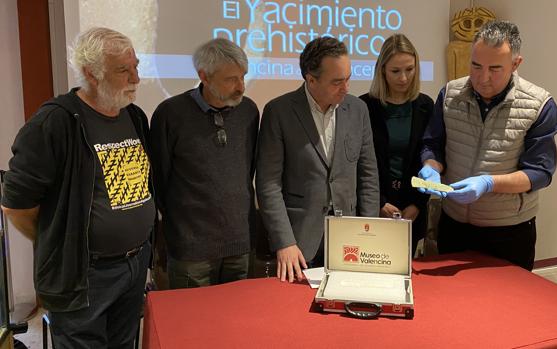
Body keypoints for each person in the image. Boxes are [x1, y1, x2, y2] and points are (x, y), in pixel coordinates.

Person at [1, 27, 154, 347]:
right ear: (91, 73)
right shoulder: (55, 123)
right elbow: (16, 206)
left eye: (136, 66)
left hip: (135, 264)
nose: (136, 78)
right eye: (124, 70)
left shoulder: (135, 116)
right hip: (84, 275)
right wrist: (60, 242)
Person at [418, 20, 557, 271]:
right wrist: (431, 166)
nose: (482, 78)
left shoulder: (539, 105)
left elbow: (540, 173)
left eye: (495, 68)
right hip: (454, 225)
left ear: (516, 64)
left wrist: (488, 183)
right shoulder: (450, 94)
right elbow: (433, 143)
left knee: (506, 306)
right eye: (475, 65)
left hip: (508, 231)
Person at [256, 37, 379, 282]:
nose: (346, 88)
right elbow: (269, 184)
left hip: (350, 237)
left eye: (348, 78)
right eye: (336, 82)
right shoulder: (279, 112)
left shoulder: (358, 110)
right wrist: (285, 242)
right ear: (311, 79)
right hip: (298, 244)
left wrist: (370, 233)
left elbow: (368, 176)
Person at [150, 38, 259, 288]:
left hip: (239, 242)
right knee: (192, 321)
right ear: (204, 76)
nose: (241, 86)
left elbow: (247, 170)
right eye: (231, 79)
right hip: (191, 247)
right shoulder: (170, 114)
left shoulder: (249, 111)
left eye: (243, 77)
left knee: (237, 318)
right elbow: (160, 179)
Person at [359, 33, 434, 246]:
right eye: (395, 71)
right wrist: (379, 203)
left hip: (413, 205)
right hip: (374, 206)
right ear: (382, 70)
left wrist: (418, 203)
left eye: (409, 69)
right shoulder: (364, 106)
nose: (403, 78)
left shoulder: (425, 106)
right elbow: (358, 163)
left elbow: (429, 158)